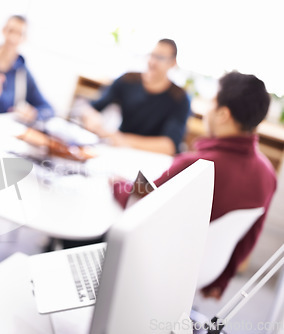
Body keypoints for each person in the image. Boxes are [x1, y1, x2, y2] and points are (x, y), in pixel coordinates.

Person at [112, 71, 277, 299]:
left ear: (223, 114)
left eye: (212, 102)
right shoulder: (268, 174)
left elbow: (139, 204)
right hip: (206, 271)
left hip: (158, 265)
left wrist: (116, 183)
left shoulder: (197, 165)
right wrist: (221, 281)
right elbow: (250, 236)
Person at [80, 39, 190, 155]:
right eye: (151, 55)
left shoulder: (179, 98)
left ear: (173, 63)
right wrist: (92, 119)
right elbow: (92, 108)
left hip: (152, 159)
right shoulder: (127, 80)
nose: (152, 62)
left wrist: (122, 139)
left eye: (160, 58)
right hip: (120, 152)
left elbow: (169, 146)